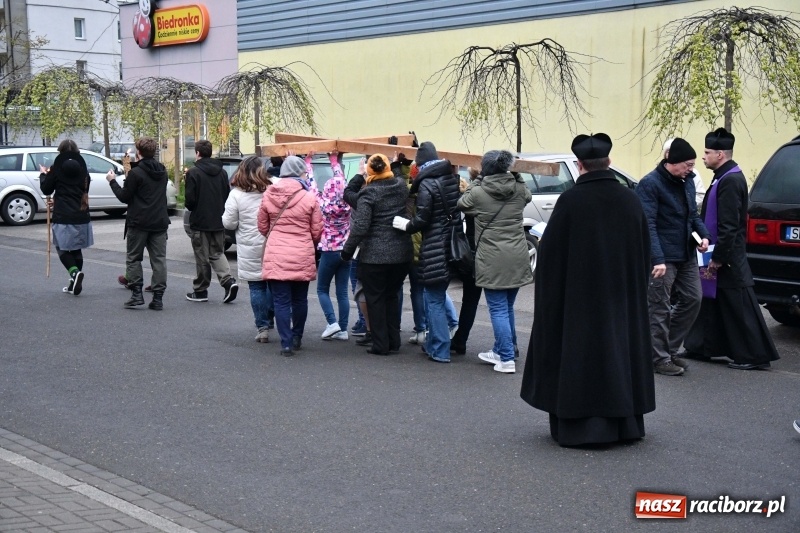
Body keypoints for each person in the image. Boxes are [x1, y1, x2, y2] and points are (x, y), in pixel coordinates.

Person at [520, 133, 655, 447]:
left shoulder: (571, 201)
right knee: (619, 356)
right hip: (621, 301)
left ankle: (581, 427)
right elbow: (643, 252)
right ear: (608, 163)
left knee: (582, 360)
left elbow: (550, 257)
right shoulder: (630, 200)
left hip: (579, 303)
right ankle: (626, 425)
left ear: (579, 165)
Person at [683, 128, 780, 370]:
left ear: (720, 154)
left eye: (707, 152)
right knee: (712, 302)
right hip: (720, 253)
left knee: (739, 307)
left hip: (727, 256)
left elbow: (729, 224)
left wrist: (717, 257)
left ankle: (754, 355)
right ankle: (702, 347)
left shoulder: (730, 180)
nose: (703, 157)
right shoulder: (722, 176)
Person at [635, 137, 711, 376]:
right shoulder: (650, 184)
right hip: (662, 258)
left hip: (686, 253)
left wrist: (704, 235)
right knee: (659, 307)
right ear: (671, 160)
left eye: (692, 164)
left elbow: (692, 216)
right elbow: (648, 224)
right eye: (687, 164)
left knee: (693, 299)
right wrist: (657, 259)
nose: (691, 169)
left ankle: (669, 349)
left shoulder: (687, 181)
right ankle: (658, 359)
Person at [458, 150, 533, 373]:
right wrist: (517, 176)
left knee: (498, 309)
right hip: (518, 255)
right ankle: (504, 349)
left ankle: (506, 358)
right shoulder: (519, 189)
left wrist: (477, 180)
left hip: (492, 258)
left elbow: (462, 203)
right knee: (507, 307)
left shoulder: (479, 192)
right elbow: (527, 195)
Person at [394, 141, 460, 363]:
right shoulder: (450, 178)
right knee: (437, 296)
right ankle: (434, 345)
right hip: (450, 245)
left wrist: (405, 225)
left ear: (421, 165)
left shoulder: (426, 185)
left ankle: (440, 349)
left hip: (433, 246)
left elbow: (422, 219)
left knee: (433, 299)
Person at [341, 154, 413, 355]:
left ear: (370, 171)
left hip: (374, 256)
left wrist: (359, 174)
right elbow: (397, 175)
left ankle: (381, 344)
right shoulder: (399, 187)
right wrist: (396, 161)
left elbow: (348, 195)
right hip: (401, 254)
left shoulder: (368, 194)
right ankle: (393, 341)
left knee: (375, 298)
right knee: (391, 296)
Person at [257, 155, 322, 356]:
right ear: (299, 173)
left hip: (276, 253)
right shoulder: (309, 197)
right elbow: (317, 230)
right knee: (300, 300)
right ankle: (296, 337)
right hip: (301, 252)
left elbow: (262, 225)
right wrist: (305, 239)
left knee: (281, 301)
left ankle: (285, 343)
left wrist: (276, 236)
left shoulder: (269, 194)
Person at [106, 137, 170, 310]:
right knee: (159, 260)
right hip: (159, 221)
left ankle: (136, 294)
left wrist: (112, 181)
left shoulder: (136, 173)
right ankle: (157, 298)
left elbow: (124, 197)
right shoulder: (162, 171)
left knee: (134, 258)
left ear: (139, 153)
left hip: (139, 221)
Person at [222, 156, 273, 342]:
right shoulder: (272, 187)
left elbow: (229, 222)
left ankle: (262, 327)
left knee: (257, 286)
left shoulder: (236, 194)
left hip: (249, 245)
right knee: (273, 283)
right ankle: (272, 315)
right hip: (272, 242)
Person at [185, 140, 238, 303]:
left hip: (200, 221)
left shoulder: (193, 173)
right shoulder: (221, 172)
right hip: (218, 220)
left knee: (202, 256)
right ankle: (228, 281)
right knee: (217, 253)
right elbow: (226, 195)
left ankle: (201, 290)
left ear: (198, 153)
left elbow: (190, 202)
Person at [39, 139, 94, 295]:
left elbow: (46, 189)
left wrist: (43, 175)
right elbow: (84, 189)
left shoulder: (56, 169)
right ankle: (73, 283)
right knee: (76, 249)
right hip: (82, 214)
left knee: (62, 248)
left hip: (63, 215)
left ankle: (75, 274)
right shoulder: (83, 170)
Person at [316, 151, 351, 341]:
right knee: (342, 292)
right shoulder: (348, 203)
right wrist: (334, 162)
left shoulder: (324, 205)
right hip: (346, 250)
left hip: (329, 250)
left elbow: (312, 186)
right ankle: (343, 329)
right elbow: (341, 181)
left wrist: (306, 163)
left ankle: (332, 323)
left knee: (322, 289)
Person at [450, 167, 484, 356]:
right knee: (502, 305)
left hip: (475, 250)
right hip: (498, 252)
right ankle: (509, 345)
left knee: (470, 300)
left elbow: (461, 206)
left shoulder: (473, 194)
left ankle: (461, 340)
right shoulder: (506, 193)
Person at [664, 139, 705, 208]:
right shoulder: (655, 178)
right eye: (668, 151)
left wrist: (685, 207)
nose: (670, 154)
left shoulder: (692, 174)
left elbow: (700, 195)